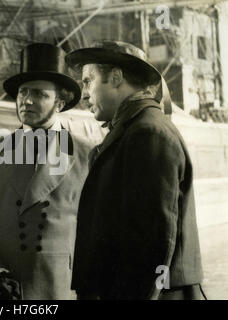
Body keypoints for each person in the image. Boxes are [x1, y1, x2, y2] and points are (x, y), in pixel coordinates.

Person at [65, 40, 204, 300]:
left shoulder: (147, 133)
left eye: (88, 81)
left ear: (116, 78)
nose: (83, 93)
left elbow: (152, 242)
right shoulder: (137, 129)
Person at [0, 43, 93, 300]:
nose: (27, 100)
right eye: (22, 92)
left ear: (60, 102)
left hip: (60, 290)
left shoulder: (88, 154)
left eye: (39, 94)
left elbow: (97, 231)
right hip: (4, 291)